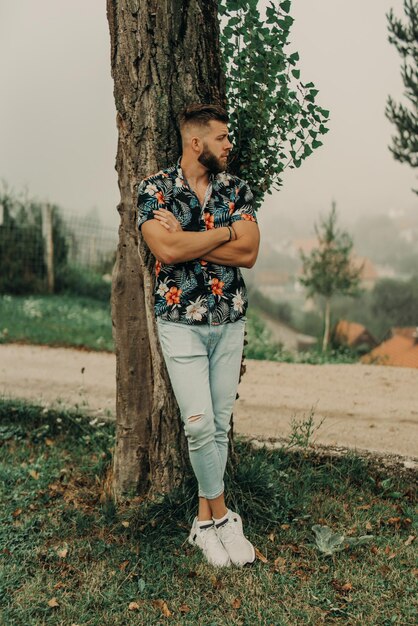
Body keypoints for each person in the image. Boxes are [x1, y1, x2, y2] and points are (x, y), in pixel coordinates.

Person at [137, 103, 260, 567]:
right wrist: (223, 234)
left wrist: (191, 238)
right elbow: (164, 248)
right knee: (198, 424)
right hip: (180, 325)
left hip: (229, 320)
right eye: (222, 137)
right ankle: (223, 519)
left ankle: (202, 522)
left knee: (220, 424)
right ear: (196, 142)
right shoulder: (154, 189)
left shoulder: (237, 189)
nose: (230, 144)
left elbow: (249, 252)